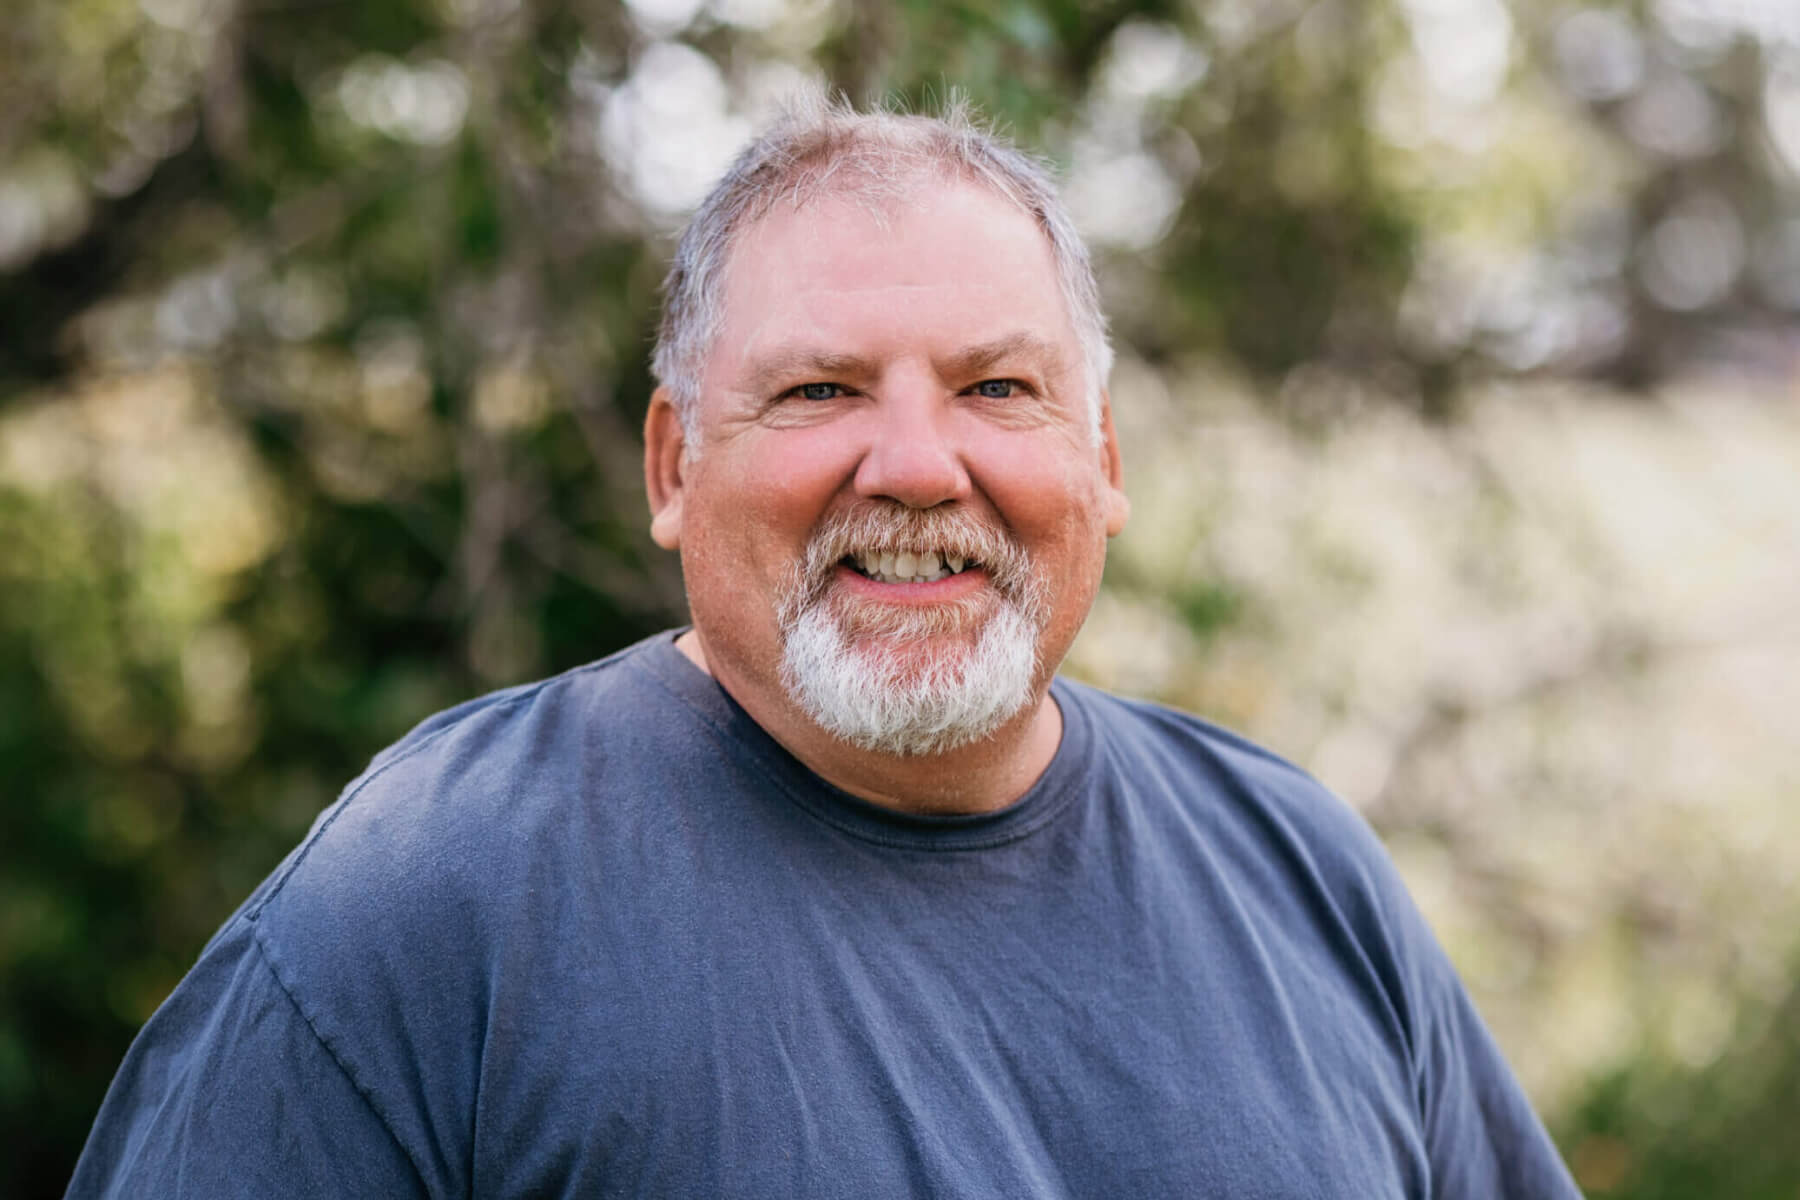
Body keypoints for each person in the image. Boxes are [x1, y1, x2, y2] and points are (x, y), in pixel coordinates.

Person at [68, 95, 1580, 1198]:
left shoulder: (1300, 870)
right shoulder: (434, 901)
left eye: (997, 389)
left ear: (1103, 457)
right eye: (819, 393)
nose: (918, 466)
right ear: (673, 467)